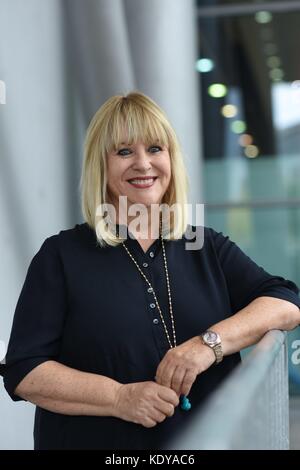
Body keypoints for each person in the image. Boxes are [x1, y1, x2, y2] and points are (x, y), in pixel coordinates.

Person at [1, 91, 300, 450]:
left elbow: (285, 301)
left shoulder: (203, 246)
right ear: (102, 165)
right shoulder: (61, 256)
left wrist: (207, 345)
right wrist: (118, 398)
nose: (143, 164)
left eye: (156, 149)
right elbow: (25, 370)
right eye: (124, 152)